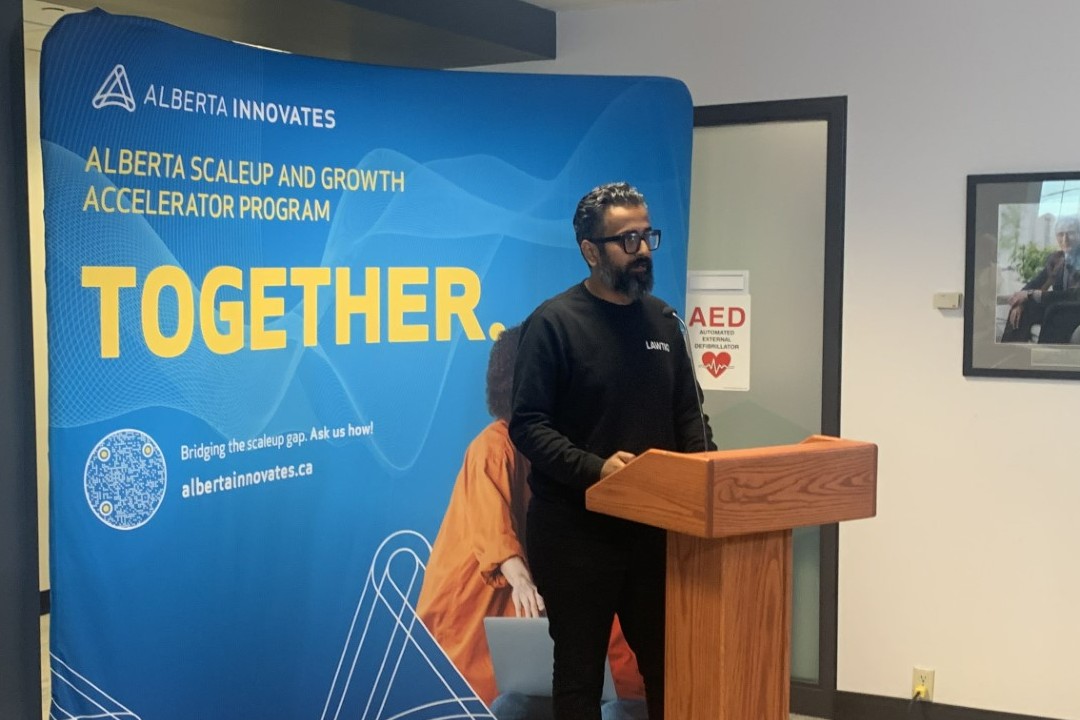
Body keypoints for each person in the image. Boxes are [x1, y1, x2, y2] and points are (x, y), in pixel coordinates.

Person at [509, 182, 715, 720]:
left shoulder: (665, 322)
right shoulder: (554, 324)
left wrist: (708, 476)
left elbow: (689, 416)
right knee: (578, 677)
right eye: (628, 239)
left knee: (670, 667)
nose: (643, 249)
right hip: (576, 534)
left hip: (654, 532)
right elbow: (529, 427)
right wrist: (599, 470)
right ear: (590, 251)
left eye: (647, 235)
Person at [415, 325, 647, 714]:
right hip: (474, 615)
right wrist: (519, 574)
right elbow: (494, 532)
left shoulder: (551, 444)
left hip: (530, 612)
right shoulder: (493, 446)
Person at [1001, 215, 1080, 342]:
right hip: (1060, 304)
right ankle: (1010, 355)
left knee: (1054, 310)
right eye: (1060, 234)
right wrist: (1020, 301)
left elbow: (1075, 294)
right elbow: (1036, 282)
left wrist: (1032, 295)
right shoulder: (1057, 259)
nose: (1065, 239)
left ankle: (1043, 359)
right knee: (1025, 308)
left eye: (1071, 233)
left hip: (1076, 307)